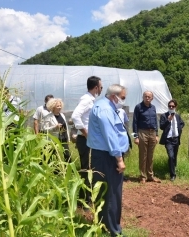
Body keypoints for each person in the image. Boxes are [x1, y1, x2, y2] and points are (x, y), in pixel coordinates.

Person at [87, 84, 128, 237]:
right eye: (122, 98)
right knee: (112, 193)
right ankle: (113, 230)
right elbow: (110, 136)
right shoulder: (105, 109)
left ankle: (104, 225)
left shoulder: (104, 106)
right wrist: (119, 159)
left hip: (103, 154)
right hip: (108, 156)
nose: (123, 101)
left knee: (105, 191)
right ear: (113, 96)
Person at [71, 76, 102, 205]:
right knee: (86, 169)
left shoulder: (91, 99)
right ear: (95, 87)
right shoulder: (87, 100)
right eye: (100, 87)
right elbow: (75, 116)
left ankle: (88, 196)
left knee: (89, 168)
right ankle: (84, 198)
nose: (101, 89)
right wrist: (86, 133)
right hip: (85, 140)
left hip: (89, 140)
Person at [132, 91, 161, 184]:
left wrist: (157, 134)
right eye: (145, 96)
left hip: (152, 132)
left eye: (149, 97)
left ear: (152, 98)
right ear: (143, 97)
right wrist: (135, 137)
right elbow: (134, 122)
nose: (147, 98)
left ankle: (150, 176)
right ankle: (142, 176)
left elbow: (156, 122)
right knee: (143, 155)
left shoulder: (153, 108)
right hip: (142, 132)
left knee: (150, 156)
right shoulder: (138, 107)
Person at [159, 99, 185, 181]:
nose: (171, 107)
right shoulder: (164, 116)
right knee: (171, 156)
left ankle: (173, 170)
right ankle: (172, 175)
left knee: (174, 157)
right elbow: (161, 127)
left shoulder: (177, 116)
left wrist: (179, 129)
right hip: (168, 140)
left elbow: (182, 123)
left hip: (176, 139)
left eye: (172, 106)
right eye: (169, 106)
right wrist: (168, 120)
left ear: (175, 107)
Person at [42, 98, 71, 163]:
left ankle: (69, 170)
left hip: (63, 138)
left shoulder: (62, 115)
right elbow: (44, 129)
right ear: (53, 107)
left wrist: (68, 139)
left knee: (67, 155)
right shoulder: (48, 117)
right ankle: (55, 171)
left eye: (60, 105)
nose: (59, 107)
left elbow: (66, 127)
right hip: (54, 140)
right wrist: (55, 127)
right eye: (58, 106)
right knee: (54, 155)